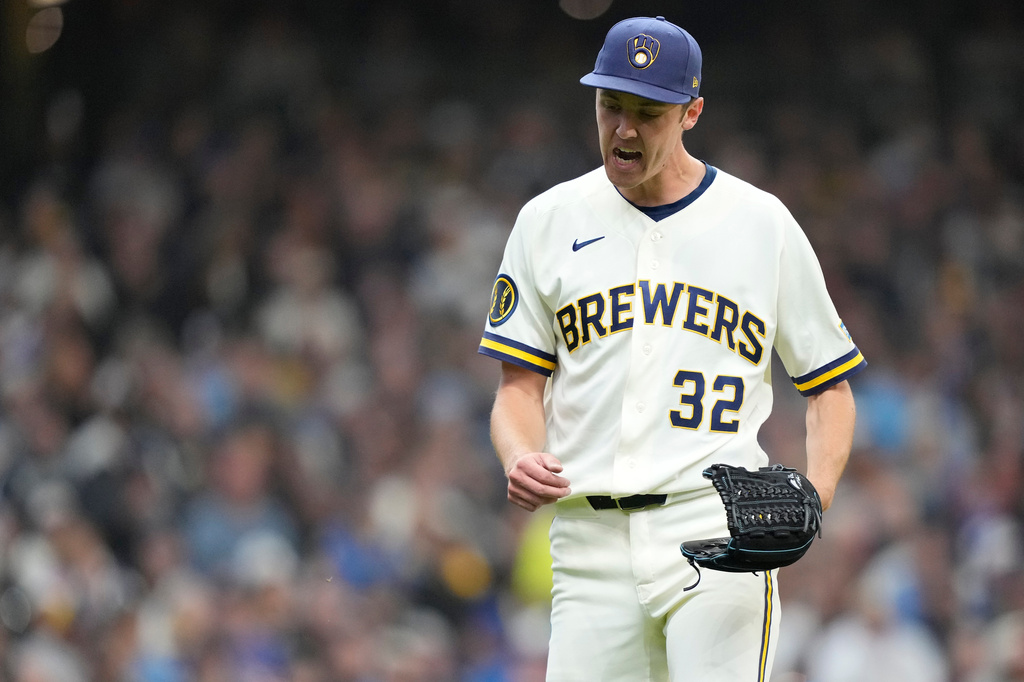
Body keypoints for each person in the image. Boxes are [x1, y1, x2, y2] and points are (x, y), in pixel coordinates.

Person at [477, 15, 866, 682]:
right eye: (611, 106)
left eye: (648, 112)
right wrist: (519, 453)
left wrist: (815, 494)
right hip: (588, 545)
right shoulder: (547, 222)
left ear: (692, 113)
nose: (624, 129)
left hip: (716, 529)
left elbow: (828, 385)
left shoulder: (760, 224)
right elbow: (518, 388)